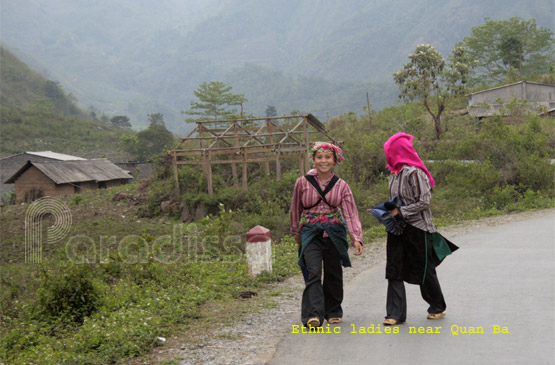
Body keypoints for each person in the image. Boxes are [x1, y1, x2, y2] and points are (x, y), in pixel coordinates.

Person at [381, 132, 452, 326]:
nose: (388, 155)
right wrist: (386, 211)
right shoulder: (393, 175)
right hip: (397, 228)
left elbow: (424, 201)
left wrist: (401, 212)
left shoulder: (415, 173)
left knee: (424, 270)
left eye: (390, 151)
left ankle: (437, 306)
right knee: (394, 269)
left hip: (418, 228)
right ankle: (395, 313)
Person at [290, 142, 363, 328]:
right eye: (319, 157)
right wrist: (296, 232)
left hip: (334, 233)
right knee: (313, 271)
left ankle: (333, 310)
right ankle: (313, 315)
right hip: (310, 233)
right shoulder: (302, 182)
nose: (323, 161)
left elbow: (350, 212)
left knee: (333, 272)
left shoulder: (341, 186)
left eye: (328, 157)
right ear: (313, 160)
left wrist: (356, 237)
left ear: (335, 160)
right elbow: (295, 209)